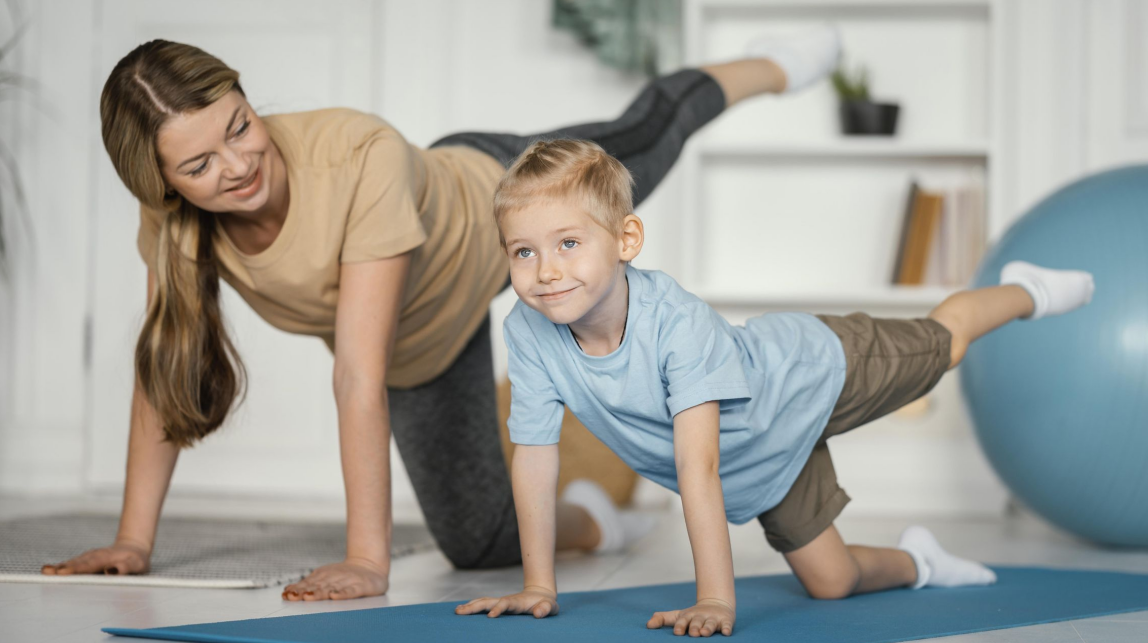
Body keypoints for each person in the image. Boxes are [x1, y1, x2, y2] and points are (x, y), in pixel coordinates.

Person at [38, 27, 847, 602]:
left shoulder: (357, 156)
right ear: (162, 183)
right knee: (478, 543)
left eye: (240, 127)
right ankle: (603, 509)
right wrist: (133, 541)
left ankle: (770, 64)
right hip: (428, 339)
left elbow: (357, 372)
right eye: (200, 164)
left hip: (497, 205)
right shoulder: (174, 224)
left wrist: (366, 557)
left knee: (652, 128)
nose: (239, 163)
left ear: (248, 97)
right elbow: (165, 371)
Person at [454, 139, 1096, 636]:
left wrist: (714, 598)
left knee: (945, 344)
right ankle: (920, 562)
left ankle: (1027, 291)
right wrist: (539, 585)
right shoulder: (530, 332)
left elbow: (697, 468)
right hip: (764, 459)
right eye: (524, 252)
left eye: (567, 242)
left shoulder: (676, 324)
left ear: (626, 240)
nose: (546, 272)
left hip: (812, 370)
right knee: (832, 582)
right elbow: (535, 458)